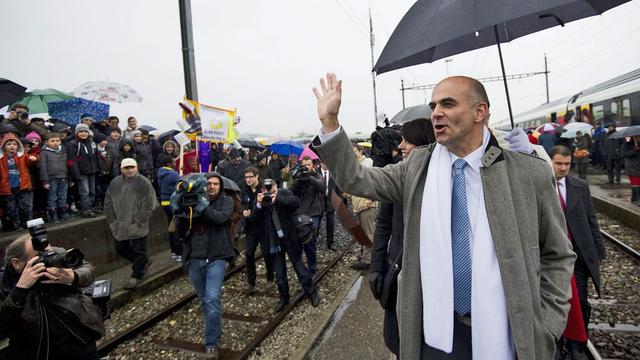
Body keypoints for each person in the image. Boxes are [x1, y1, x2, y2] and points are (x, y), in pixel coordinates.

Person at [311, 73, 575, 359]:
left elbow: (557, 254)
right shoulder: (416, 167)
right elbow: (356, 179)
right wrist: (330, 124)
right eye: (434, 105)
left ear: (480, 112)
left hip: (508, 334)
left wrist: (547, 325)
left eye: (448, 104)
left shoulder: (527, 173)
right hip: (433, 334)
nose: (436, 112)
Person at [370, 117, 435, 357]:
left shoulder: (446, 177)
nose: (401, 146)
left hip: (431, 280)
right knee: (400, 342)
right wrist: (376, 266)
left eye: (408, 141)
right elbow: (383, 224)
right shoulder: (398, 175)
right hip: (399, 272)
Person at [0, 234, 102, 359]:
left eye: (47, 250)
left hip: (80, 341)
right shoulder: (4, 285)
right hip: (39, 352)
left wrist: (73, 276)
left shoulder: (55, 253)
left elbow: (87, 268)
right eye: (39, 256)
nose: (47, 257)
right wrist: (20, 290)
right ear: (17, 263)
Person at [549, 145, 606, 359]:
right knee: (556, 301)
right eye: (558, 164)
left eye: (567, 164)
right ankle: (556, 339)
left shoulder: (579, 186)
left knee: (580, 301)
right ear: (549, 161)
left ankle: (578, 343)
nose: (563, 168)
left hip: (578, 256)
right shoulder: (539, 184)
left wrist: (598, 251)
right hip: (552, 256)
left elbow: (591, 220)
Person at [175, 173, 236, 359]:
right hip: (195, 257)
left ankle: (211, 344)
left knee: (211, 299)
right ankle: (215, 328)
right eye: (208, 183)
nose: (211, 187)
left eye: (215, 184)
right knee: (205, 300)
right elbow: (180, 229)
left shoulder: (226, 202)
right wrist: (185, 207)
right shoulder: (193, 202)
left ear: (221, 186)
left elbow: (219, 219)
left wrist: (202, 206)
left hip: (217, 257)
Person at [253, 178, 320, 312]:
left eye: (271, 189)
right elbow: (254, 220)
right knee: (280, 274)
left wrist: (277, 198)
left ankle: (311, 293)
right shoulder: (260, 201)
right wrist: (259, 204)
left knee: (300, 268)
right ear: (262, 190)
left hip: (290, 238)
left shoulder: (283, 194)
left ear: (275, 187)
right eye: (266, 190)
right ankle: (284, 298)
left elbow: (296, 202)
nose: (269, 192)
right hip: (273, 241)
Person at [104, 158, 158, 290]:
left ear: (137, 168)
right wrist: (111, 219)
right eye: (126, 168)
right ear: (121, 169)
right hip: (120, 223)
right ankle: (143, 262)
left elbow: (150, 203)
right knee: (120, 248)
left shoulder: (143, 183)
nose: (129, 170)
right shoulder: (115, 182)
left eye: (132, 167)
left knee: (139, 250)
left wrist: (140, 219)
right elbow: (108, 201)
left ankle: (137, 275)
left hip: (137, 223)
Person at [290, 156, 326, 275]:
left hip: (314, 212)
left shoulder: (317, 176)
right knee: (299, 241)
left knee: (310, 239)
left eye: (308, 165)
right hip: (300, 212)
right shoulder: (299, 178)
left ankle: (312, 267)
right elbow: (291, 191)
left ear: (312, 165)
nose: (306, 168)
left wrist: (309, 177)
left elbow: (322, 188)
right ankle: (302, 266)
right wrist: (299, 179)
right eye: (304, 165)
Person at [241, 166, 274, 293]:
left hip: (264, 226)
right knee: (249, 253)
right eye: (246, 177)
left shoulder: (264, 188)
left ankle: (270, 278)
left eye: (250, 177)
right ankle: (251, 282)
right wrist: (244, 211)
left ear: (256, 176)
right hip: (251, 227)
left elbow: (268, 206)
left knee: (267, 254)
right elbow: (243, 203)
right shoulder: (245, 189)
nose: (248, 180)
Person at [345, 144, 377, 270]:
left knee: (369, 233)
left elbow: (370, 180)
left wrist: (371, 198)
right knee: (363, 233)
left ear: (360, 151)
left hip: (366, 204)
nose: (353, 155)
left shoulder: (367, 162)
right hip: (359, 205)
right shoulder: (354, 165)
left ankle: (368, 260)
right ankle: (366, 256)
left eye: (355, 152)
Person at [0, 133, 38, 230]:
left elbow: (30, 159)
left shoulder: (22, 155)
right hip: (7, 188)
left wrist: (34, 158)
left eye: (14, 144)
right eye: (9, 144)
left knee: (26, 206)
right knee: (12, 208)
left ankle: (28, 224)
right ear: (3, 146)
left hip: (23, 186)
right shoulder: (1, 158)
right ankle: (17, 225)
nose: (12, 146)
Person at [66, 124, 98, 218]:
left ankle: (91, 207)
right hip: (81, 172)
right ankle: (86, 209)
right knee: (85, 191)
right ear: (76, 133)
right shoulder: (73, 144)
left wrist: (96, 169)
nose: (83, 133)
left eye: (85, 131)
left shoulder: (91, 143)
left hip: (91, 171)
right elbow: (72, 161)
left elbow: (94, 157)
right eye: (81, 131)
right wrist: (76, 174)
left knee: (92, 191)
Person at [39, 133, 70, 223]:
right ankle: (53, 215)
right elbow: (43, 167)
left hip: (63, 177)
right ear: (47, 142)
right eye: (52, 141)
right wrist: (45, 181)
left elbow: (68, 165)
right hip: (51, 179)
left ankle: (63, 213)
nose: (55, 143)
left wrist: (70, 177)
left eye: (57, 141)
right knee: (52, 197)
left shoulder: (63, 151)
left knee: (63, 196)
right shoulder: (44, 152)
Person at [158, 156, 183, 262]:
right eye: (173, 162)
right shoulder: (173, 174)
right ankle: (179, 252)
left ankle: (173, 251)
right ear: (169, 164)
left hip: (164, 202)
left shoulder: (161, 173)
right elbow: (181, 185)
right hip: (174, 203)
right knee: (177, 228)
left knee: (170, 227)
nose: (175, 163)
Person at [319, 162, 338, 251]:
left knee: (330, 222)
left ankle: (330, 242)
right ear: (321, 163)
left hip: (330, 200)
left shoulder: (333, 173)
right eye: (324, 162)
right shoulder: (316, 173)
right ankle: (313, 239)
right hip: (319, 201)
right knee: (317, 221)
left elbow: (338, 188)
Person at [622, 135, 640, 205]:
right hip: (632, 167)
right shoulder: (627, 144)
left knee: (637, 183)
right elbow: (624, 154)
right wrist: (634, 150)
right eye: (637, 137)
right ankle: (638, 199)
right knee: (636, 183)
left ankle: (634, 197)